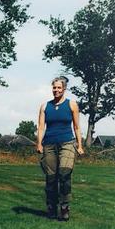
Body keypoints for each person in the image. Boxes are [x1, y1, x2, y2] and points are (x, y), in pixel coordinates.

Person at [36, 77, 84, 221]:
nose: (56, 90)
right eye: (54, 88)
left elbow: (76, 126)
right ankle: (51, 206)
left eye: (59, 88)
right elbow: (40, 127)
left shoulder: (72, 104)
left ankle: (64, 206)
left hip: (67, 143)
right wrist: (39, 143)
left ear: (64, 89)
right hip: (49, 144)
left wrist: (79, 145)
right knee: (51, 178)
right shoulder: (45, 106)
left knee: (64, 173)